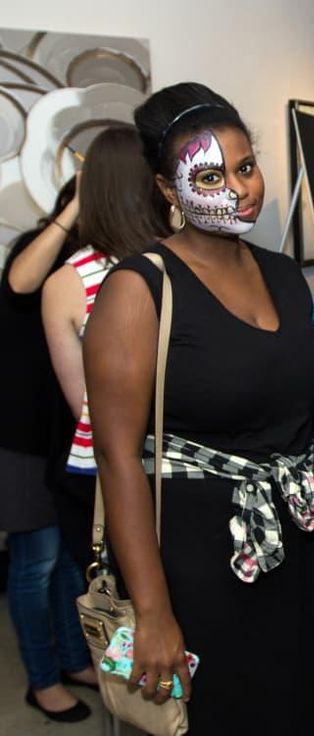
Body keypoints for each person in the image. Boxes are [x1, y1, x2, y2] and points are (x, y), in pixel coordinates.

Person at [83, 83, 314, 733]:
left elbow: (302, 407)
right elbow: (116, 456)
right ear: (170, 189)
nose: (239, 189)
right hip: (193, 565)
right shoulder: (139, 289)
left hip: (294, 543)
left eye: (246, 168)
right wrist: (154, 609)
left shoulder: (283, 274)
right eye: (212, 176)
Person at [41, 126, 169, 570]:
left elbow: (84, 405)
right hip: (190, 463)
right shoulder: (183, 260)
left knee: (119, 617)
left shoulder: (65, 283)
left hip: (108, 472)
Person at [0, 179, 97, 723]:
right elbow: (18, 285)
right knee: (34, 563)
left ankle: (72, 658)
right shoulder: (37, 250)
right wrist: (77, 204)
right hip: (20, 438)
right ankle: (41, 680)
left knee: (67, 561)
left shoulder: (101, 260)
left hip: (65, 438)